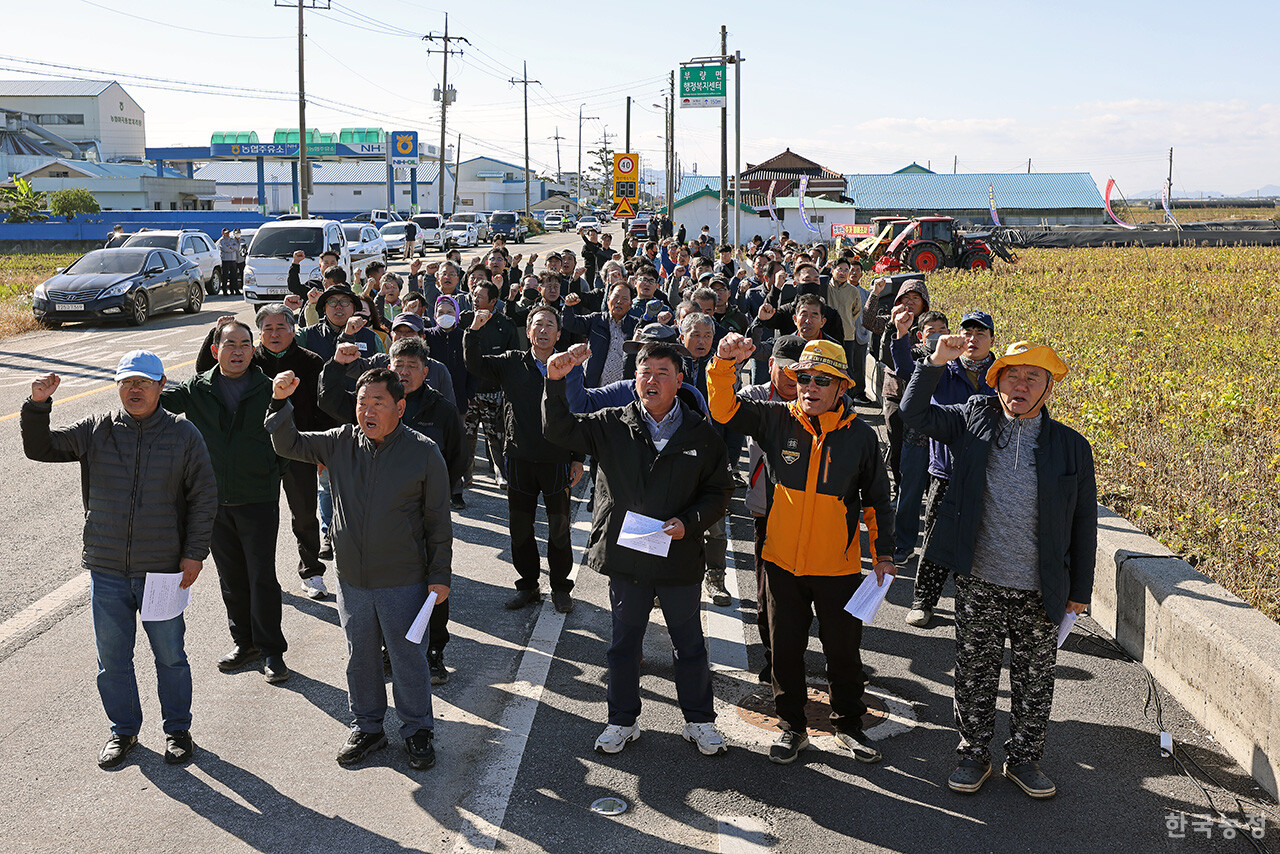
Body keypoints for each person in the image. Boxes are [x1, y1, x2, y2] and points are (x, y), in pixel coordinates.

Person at [902, 339, 1094, 799]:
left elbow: (1084, 521)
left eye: (1033, 378)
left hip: (1040, 587)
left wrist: (1080, 590)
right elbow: (913, 414)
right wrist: (934, 363)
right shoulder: (974, 418)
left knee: (1035, 678)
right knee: (974, 673)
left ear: (1049, 389)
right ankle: (973, 753)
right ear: (997, 380)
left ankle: (1024, 760)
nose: (1020, 386)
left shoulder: (1070, 447)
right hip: (979, 580)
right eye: (1012, 376)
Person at [21, 351, 217, 769]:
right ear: (118, 387)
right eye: (127, 382)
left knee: (170, 656)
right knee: (112, 660)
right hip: (107, 568)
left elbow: (204, 498)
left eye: (144, 382)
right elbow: (42, 448)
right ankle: (123, 731)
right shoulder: (98, 429)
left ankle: (177, 730)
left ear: (162, 385)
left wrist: (194, 555)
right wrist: (38, 405)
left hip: (163, 571)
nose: (135, 389)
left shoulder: (184, 434)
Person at [709, 334, 894, 766]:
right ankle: (792, 726)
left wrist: (883, 553)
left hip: (839, 566)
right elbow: (723, 409)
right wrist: (723, 363)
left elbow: (877, 501)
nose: (809, 386)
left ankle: (849, 724)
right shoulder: (775, 419)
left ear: (842, 388)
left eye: (821, 380)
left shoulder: (862, 437)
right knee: (785, 648)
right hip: (780, 562)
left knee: (843, 652)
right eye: (804, 377)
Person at [543, 341, 733, 757]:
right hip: (628, 556)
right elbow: (559, 429)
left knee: (690, 643)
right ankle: (622, 721)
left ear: (680, 380)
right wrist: (555, 382)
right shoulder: (613, 423)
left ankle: (699, 720)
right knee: (624, 644)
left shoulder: (701, 432)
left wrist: (691, 522)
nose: (651, 380)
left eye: (662, 373)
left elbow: (719, 491)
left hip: (679, 555)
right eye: (644, 372)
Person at [267, 367, 452, 770]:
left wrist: (440, 575)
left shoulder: (422, 452)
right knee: (360, 656)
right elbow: (289, 443)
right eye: (361, 402)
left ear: (400, 407)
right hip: (352, 579)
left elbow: (438, 520)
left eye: (378, 403)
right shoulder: (340, 442)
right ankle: (368, 727)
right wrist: (280, 402)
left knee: (407, 658)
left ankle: (417, 729)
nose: (367, 410)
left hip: (403, 579)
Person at [319, 337, 465, 686]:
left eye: (412, 366)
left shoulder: (439, 408)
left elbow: (457, 453)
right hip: (378, 523)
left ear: (425, 371)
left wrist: (440, 489)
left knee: (432, 586)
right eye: (399, 365)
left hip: (424, 506)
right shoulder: (372, 403)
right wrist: (336, 366)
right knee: (379, 611)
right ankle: (386, 657)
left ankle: (434, 653)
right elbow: (328, 400)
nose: (404, 371)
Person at [161, 320, 290, 684]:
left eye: (245, 344)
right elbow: (158, 404)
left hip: (257, 498)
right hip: (212, 500)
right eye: (230, 344)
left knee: (261, 575)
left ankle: (271, 650)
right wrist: (139, 382)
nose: (238, 351)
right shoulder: (197, 389)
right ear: (215, 350)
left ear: (254, 350)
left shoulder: (270, 388)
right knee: (231, 577)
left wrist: (268, 474)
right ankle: (244, 642)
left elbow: (285, 436)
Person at [194, 305, 336, 599]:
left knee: (305, 514)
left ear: (293, 329)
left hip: (299, 450)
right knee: (260, 520)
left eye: (280, 327)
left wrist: (323, 452)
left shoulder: (311, 362)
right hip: (256, 454)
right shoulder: (248, 359)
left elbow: (324, 407)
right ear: (259, 334)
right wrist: (215, 333)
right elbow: (205, 375)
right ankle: (262, 576)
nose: (274, 334)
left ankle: (311, 572)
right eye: (267, 329)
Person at [465, 305, 584, 613]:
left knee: (559, 527)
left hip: (557, 459)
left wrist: (577, 457)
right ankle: (528, 585)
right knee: (520, 527)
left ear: (558, 333)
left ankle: (560, 587)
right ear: (528, 332)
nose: (543, 330)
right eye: (537, 325)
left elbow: (577, 411)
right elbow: (474, 363)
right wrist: (474, 330)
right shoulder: (511, 363)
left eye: (550, 325)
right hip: (519, 457)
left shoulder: (568, 365)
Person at [894, 311, 997, 628]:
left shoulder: (1003, 374)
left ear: (992, 339)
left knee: (986, 544)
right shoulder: (944, 366)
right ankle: (923, 601)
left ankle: (979, 609)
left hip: (989, 473)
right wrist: (935, 363)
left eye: (981, 333)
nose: (973, 339)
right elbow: (912, 404)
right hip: (947, 470)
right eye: (968, 332)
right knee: (936, 540)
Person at [738, 334, 803, 684]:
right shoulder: (756, 397)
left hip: (810, 513)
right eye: (786, 368)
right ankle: (774, 656)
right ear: (771, 365)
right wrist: (728, 365)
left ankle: (794, 651)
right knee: (768, 592)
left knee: (805, 590)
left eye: (800, 369)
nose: (794, 377)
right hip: (767, 512)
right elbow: (727, 409)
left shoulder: (821, 398)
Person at [886, 308, 950, 569]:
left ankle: (941, 549)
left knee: (944, 497)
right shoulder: (917, 357)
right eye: (931, 332)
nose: (937, 336)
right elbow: (901, 365)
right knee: (909, 492)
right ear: (921, 336)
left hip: (945, 438)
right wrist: (901, 332)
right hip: (916, 437)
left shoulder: (955, 359)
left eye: (942, 331)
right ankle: (904, 544)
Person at [459, 282, 519, 492]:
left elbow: (512, 359)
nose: (475, 300)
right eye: (473, 295)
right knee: (468, 435)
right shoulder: (465, 319)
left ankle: (500, 472)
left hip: (494, 391)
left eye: (480, 296)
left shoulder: (506, 324)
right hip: (470, 391)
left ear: (493, 301)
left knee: (496, 435)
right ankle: (466, 474)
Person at [561, 283, 639, 388]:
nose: (619, 302)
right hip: (594, 387)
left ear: (630, 305)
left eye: (624, 299)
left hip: (623, 390)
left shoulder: (635, 326)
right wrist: (568, 306)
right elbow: (570, 323)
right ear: (608, 299)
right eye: (616, 297)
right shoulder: (596, 320)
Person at [217, 228, 241, 295]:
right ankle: (225, 291)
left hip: (233, 259)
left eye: (228, 233)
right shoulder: (222, 241)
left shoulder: (232, 239)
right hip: (225, 260)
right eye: (226, 233)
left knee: (234, 276)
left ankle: (234, 290)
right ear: (223, 233)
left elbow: (237, 247)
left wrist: (231, 247)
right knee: (225, 275)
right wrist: (231, 248)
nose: (227, 234)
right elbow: (224, 249)